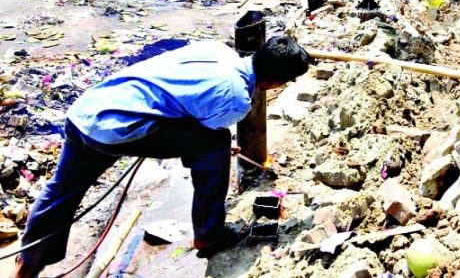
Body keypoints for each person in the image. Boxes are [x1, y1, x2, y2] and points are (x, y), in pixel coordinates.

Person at [13, 37, 311, 278]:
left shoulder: (216, 49)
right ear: (276, 82)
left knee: (61, 191)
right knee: (216, 144)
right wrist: (213, 146)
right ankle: (209, 234)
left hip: (87, 112)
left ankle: (27, 265)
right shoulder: (236, 99)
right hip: (120, 127)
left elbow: (188, 105)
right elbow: (206, 135)